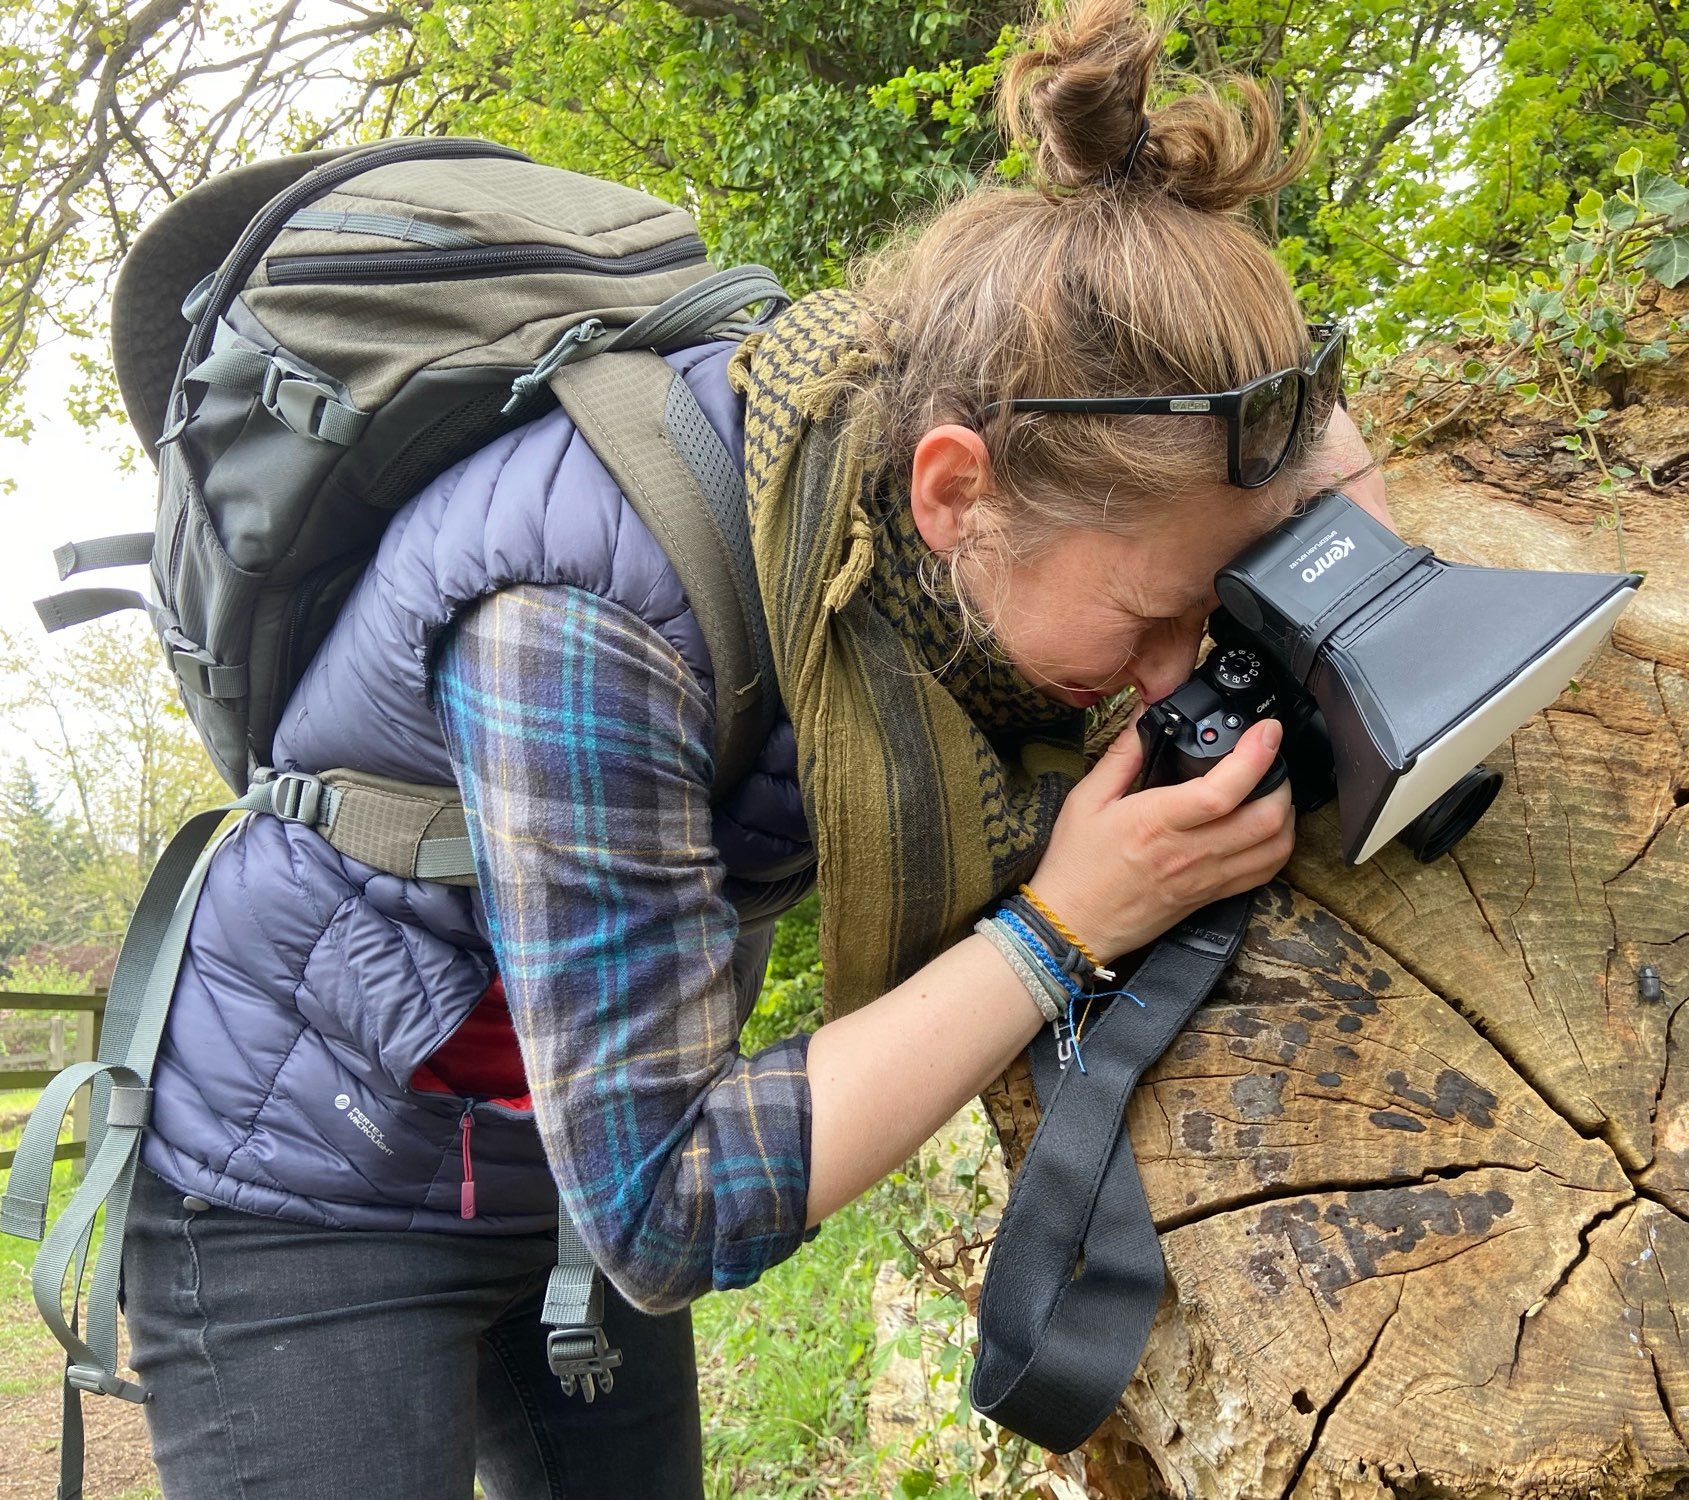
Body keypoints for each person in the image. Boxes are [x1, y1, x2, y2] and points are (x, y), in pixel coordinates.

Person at [118, 0, 1392, 1494]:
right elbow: (666, 1211)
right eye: (1155, 618)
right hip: (304, 1165)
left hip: (569, 1123)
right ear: (951, 490)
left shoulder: (886, 468)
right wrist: (1066, 928)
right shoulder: (582, 616)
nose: (1171, 676)